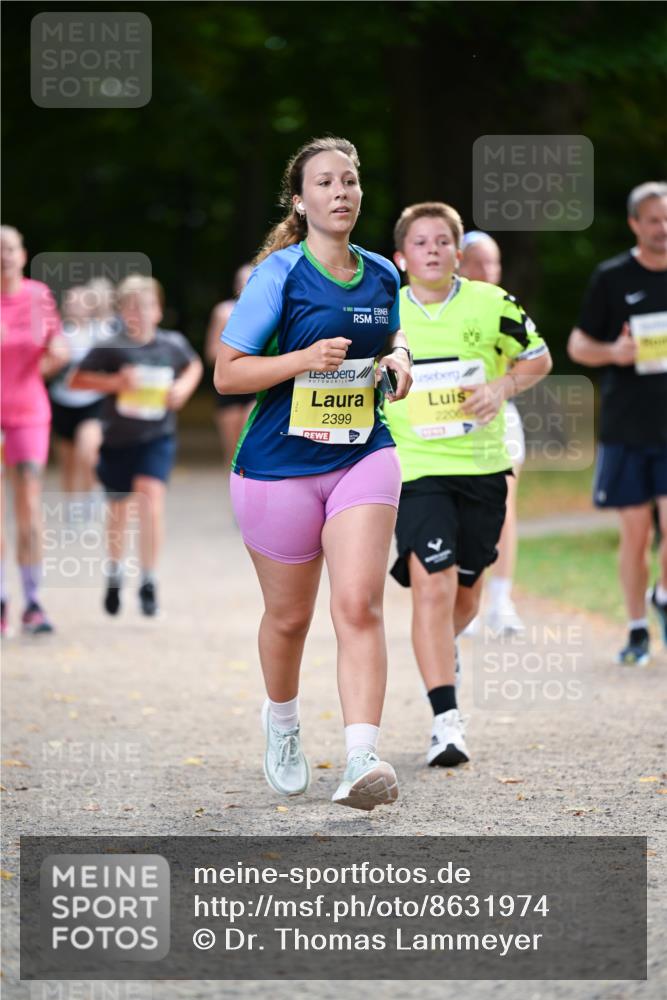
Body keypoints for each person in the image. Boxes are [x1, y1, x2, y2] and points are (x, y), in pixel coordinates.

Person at [214, 136, 412, 811]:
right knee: (289, 617)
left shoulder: (383, 272)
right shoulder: (280, 274)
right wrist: (300, 361)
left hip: (362, 452)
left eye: (350, 181)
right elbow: (227, 373)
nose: (341, 192)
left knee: (358, 604)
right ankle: (283, 723)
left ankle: (361, 757)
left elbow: (391, 335)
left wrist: (399, 360)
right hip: (276, 465)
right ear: (300, 200)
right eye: (325, 182)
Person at [385, 202, 551, 767]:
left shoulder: (493, 302)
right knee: (431, 585)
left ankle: (446, 645)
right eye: (420, 242)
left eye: (442, 241)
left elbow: (539, 358)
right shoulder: (384, 309)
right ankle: (445, 721)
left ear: (459, 252)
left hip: (482, 466)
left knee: (466, 592)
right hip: (414, 468)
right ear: (400, 256)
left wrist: (502, 386)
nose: (432, 249)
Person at [568, 181, 667, 666]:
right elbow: (577, 345)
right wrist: (614, 351)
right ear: (635, 224)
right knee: (637, 536)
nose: (663, 228)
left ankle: (663, 595)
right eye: (653, 219)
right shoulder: (611, 278)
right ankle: (636, 628)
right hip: (627, 425)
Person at [70, 275, 203, 618]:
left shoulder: (171, 344)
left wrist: (183, 390)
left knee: (150, 500)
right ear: (121, 312)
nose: (139, 313)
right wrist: (114, 381)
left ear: (158, 311)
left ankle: (148, 580)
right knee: (118, 513)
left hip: (157, 437)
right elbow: (76, 379)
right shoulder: (111, 346)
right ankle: (115, 573)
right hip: (117, 440)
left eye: (145, 305)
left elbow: (194, 366)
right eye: (130, 306)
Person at [1, 224, 68, 635]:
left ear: (22, 254)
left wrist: (30, 378)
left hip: (27, 413)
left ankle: (33, 601)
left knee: (28, 504)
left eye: (9, 248)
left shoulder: (37, 296)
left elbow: (57, 350)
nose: (4, 255)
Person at [459, 231, 526, 634]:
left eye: (493, 262)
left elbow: (530, 361)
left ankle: (501, 603)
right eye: (477, 261)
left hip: (500, 419)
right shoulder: (441, 306)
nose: (487, 270)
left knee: (504, 508)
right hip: (447, 421)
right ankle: (466, 599)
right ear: (459, 263)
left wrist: (499, 387)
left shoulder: (507, 309)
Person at [49, 285, 105, 522]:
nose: (75, 305)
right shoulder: (57, 333)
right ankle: (72, 504)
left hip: (92, 402)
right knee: (68, 458)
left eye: (81, 301)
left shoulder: (100, 333)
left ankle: (91, 496)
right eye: (71, 301)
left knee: (88, 451)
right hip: (62, 401)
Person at [205, 264, 255, 467]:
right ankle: (234, 492)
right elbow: (210, 352)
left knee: (249, 442)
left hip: (256, 384)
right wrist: (237, 355)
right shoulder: (223, 312)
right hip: (230, 385)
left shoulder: (269, 311)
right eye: (242, 281)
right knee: (232, 449)